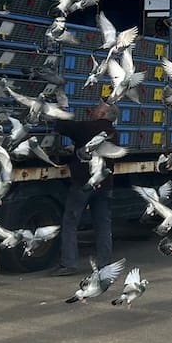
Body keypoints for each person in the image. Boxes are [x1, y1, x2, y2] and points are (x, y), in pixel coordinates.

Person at [50, 102, 118, 276]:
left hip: (83, 184)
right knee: (103, 225)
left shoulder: (90, 128)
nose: (93, 110)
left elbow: (65, 127)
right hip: (105, 185)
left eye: (97, 108)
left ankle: (69, 263)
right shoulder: (114, 133)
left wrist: (59, 112)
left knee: (71, 222)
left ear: (102, 113)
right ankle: (105, 264)